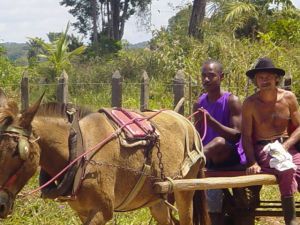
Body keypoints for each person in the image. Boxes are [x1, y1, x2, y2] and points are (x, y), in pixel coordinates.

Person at [242, 57, 300, 225]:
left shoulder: (288, 98)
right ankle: (291, 220)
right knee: (287, 168)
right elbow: (246, 136)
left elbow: (298, 127)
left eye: (268, 76)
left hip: (288, 146)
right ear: (255, 81)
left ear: (276, 78)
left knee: (293, 167)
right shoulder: (250, 103)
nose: (264, 80)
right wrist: (252, 162)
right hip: (265, 148)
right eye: (260, 77)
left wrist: (286, 146)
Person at [193, 59, 247, 225]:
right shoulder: (199, 102)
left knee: (218, 142)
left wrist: (211, 121)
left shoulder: (232, 101)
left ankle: (191, 162)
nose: (206, 80)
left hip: (229, 155)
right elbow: (197, 133)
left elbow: (236, 135)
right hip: (209, 157)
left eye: (211, 76)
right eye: (204, 76)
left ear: (221, 77)